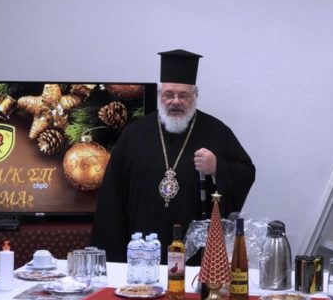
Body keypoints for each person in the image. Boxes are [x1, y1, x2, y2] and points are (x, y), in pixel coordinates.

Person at [91, 49, 256, 263]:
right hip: (142, 252)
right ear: (159, 95)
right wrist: (113, 260)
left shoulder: (216, 132)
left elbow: (246, 172)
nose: (175, 101)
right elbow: (112, 199)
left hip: (196, 257)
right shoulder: (134, 135)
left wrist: (218, 167)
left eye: (183, 95)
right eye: (169, 94)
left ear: (195, 96)